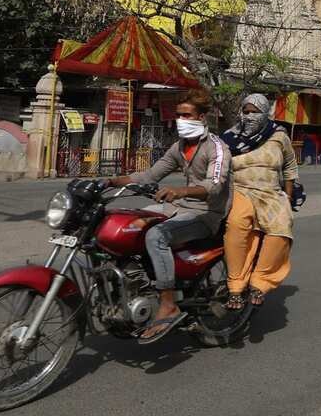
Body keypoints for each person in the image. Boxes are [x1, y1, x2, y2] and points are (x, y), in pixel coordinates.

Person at [105, 90, 231, 343]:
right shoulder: (179, 147)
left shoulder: (217, 148)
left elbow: (215, 185)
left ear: (202, 117)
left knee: (155, 236)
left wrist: (181, 190)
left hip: (206, 213)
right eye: (178, 115)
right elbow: (150, 176)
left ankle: (168, 303)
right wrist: (108, 181)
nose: (180, 120)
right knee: (129, 224)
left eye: (187, 115)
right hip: (179, 208)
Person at [220, 94, 297, 309]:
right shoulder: (228, 138)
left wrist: (287, 197)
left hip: (271, 192)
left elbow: (290, 167)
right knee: (237, 224)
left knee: (282, 227)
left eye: (256, 112)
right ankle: (235, 286)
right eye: (246, 112)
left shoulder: (279, 136)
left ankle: (260, 282)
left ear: (266, 113)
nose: (250, 116)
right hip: (241, 190)